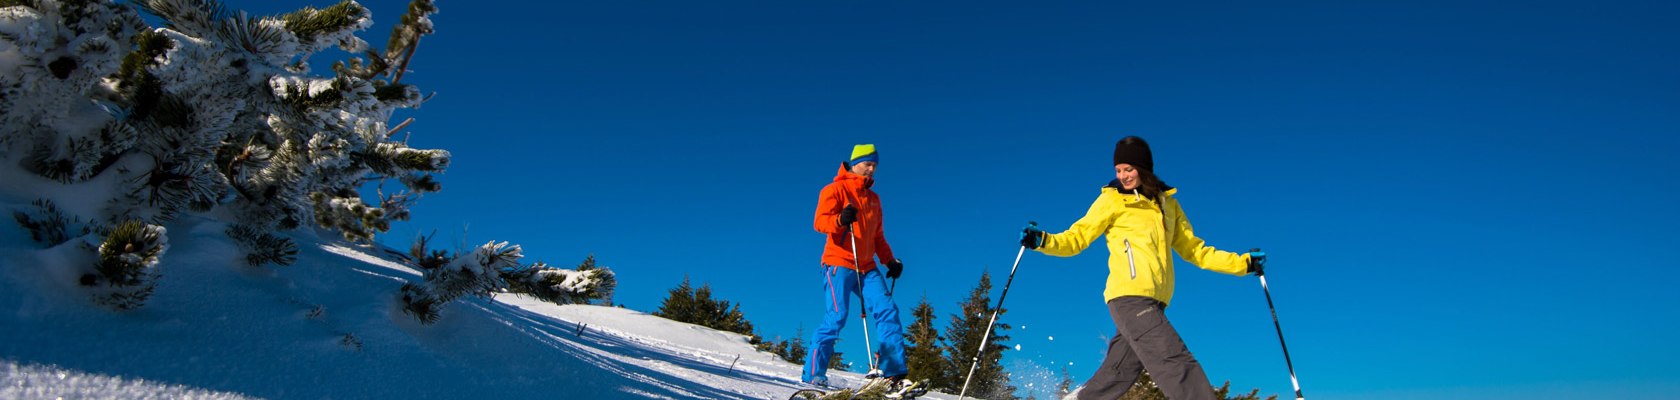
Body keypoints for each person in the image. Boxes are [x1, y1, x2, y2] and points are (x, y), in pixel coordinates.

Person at [1019, 136, 1265, 400]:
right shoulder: (1112, 201)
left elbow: (1195, 250)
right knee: (1173, 359)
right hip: (1129, 298)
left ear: (1143, 168)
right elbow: (1075, 239)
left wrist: (1243, 264)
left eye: (1129, 169)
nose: (1123, 176)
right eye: (1118, 170)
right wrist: (1043, 240)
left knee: (1119, 373)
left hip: (1156, 302)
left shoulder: (1167, 205)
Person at [802, 144, 910, 389]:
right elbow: (819, 222)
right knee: (836, 317)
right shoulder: (835, 189)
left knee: (887, 310)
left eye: (875, 166)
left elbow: (878, 237)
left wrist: (890, 261)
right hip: (839, 262)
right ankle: (813, 375)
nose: (871, 170)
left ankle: (892, 373)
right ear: (855, 163)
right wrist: (840, 220)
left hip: (867, 267)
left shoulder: (874, 199)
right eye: (867, 164)